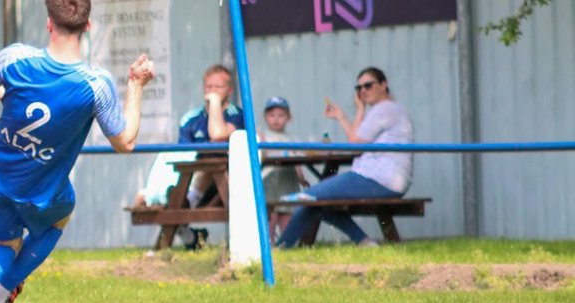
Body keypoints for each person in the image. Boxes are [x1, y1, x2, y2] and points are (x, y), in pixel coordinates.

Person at [0, 0, 155, 303]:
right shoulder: (95, 83)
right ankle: (0, 295)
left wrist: (2, 93)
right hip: (43, 189)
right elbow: (126, 142)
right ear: (87, 26)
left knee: (4, 241)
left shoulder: (15, 58)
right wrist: (136, 84)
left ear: (49, 22)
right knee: (61, 215)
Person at [276, 67, 414, 248]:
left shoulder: (384, 109)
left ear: (383, 85)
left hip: (378, 179)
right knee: (316, 202)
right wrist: (342, 117)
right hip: (383, 179)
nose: (363, 91)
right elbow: (356, 143)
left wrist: (359, 111)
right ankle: (364, 242)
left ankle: (280, 249)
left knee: (308, 197)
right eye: (359, 88)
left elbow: (354, 146)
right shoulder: (389, 110)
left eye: (368, 85)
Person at [132, 64, 245, 248]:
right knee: (170, 158)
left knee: (209, 164)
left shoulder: (236, 114)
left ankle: (179, 205)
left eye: (218, 87)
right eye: (209, 87)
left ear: (230, 90)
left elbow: (217, 134)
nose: (212, 91)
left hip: (224, 184)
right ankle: (162, 200)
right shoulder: (190, 119)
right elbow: (182, 155)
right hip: (190, 178)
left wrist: (215, 104)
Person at [258, 96, 306, 239]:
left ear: (288, 117)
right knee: (270, 216)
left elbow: (297, 159)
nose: (276, 119)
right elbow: (262, 156)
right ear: (266, 117)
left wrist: (301, 177)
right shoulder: (263, 136)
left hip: (288, 182)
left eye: (281, 115)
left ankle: (286, 245)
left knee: (287, 215)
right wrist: (260, 140)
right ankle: (269, 245)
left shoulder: (291, 138)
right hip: (269, 182)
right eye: (272, 115)